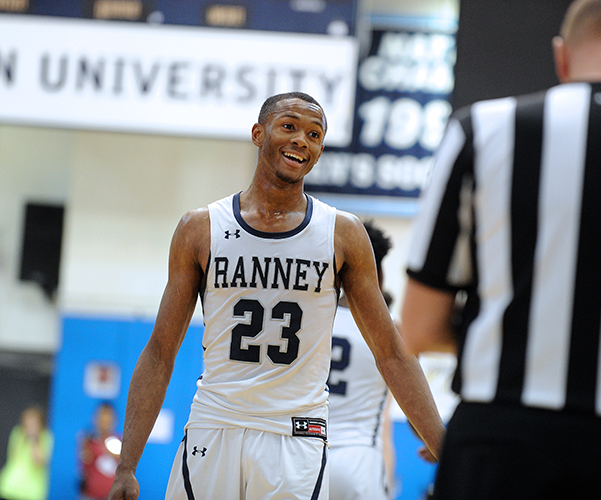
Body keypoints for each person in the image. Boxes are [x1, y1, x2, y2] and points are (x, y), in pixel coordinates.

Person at [401, 0, 601, 498]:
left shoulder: (479, 130)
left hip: (498, 441)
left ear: (561, 57)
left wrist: (509, 343)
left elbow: (419, 327)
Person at [107, 91, 445, 500]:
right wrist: (127, 465)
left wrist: (443, 443)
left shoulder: (343, 234)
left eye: (314, 134)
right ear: (258, 133)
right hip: (215, 424)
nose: (302, 140)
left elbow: (391, 352)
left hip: (295, 433)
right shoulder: (200, 228)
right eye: (289, 127)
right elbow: (160, 352)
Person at [328, 220, 394, 500]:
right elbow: (387, 424)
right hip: (359, 458)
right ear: (379, 273)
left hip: (304, 456)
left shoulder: (312, 321)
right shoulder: (391, 332)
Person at [0, 406, 54, 500]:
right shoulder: (18, 433)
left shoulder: (46, 437)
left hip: (31, 493)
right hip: (9, 488)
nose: (29, 425)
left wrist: (34, 439)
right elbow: (13, 457)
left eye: (33, 422)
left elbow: (39, 462)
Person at [79, 403, 121, 500]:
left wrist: (107, 450)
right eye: (102, 417)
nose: (104, 422)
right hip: (90, 496)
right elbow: (84, 466)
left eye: (108, 418)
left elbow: (124, 464)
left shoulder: (119, 442)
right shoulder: (89, 442)